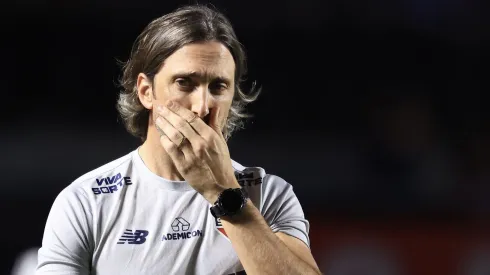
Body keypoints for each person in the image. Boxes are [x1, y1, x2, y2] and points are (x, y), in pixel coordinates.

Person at [36, 4, 321, 275]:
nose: (202, 106)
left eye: (219, 86)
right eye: (185, 83)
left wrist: (224, 193)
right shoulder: (84, 202)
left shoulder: (269, 195)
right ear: (146, 92)